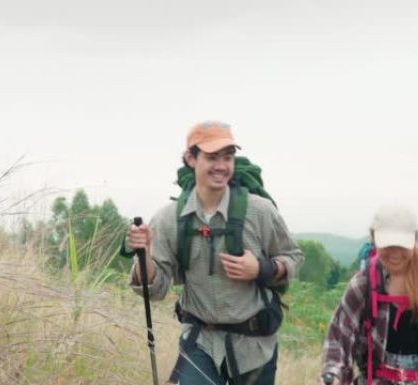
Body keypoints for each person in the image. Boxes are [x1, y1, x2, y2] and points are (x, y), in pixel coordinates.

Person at [125, 121, 304, 385]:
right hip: (200, 343)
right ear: (190, 158)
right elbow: (156, 289)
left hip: (254, 347)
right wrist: (144, 254)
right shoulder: (168, 219)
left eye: (228, 157)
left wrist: (261, 269)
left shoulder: (260, 211)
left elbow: (293, 257)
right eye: (211, 157)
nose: (221, 166)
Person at [319, 204, 418, 385]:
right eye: (388, 245)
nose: (395, 253)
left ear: (415, 238)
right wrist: (333, 375)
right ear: (373, 237)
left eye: (402, 245)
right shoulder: (363, 285)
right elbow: (339, 338)